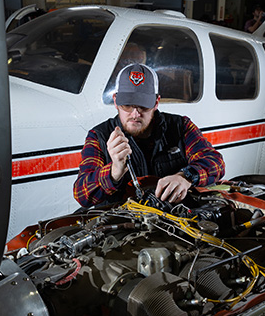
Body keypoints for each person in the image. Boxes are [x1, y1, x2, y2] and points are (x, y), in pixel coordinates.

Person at [73, 63, 225, 209]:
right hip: (122, 223)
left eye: (143, 105)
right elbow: (82, 194)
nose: (135, 114)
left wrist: (185, 177)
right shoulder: (99, 136)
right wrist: (114, 172)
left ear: (156, 102)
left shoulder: (180, 126)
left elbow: (215, 162)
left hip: (173, 218)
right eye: (127, 105)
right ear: (115, 101)